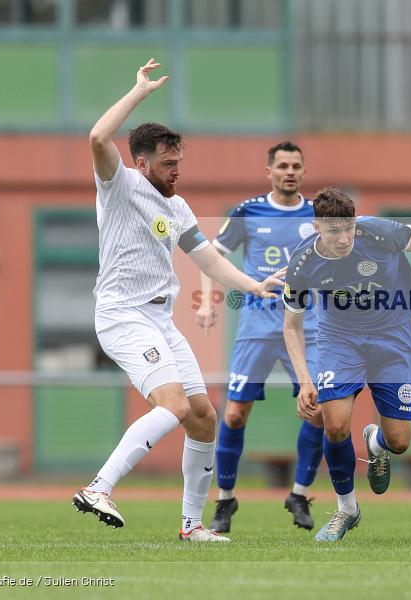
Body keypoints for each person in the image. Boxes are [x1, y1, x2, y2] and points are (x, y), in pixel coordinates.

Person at [71, 59, 284, 543]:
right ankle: (98, 488)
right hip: (122, 315)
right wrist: (139, 91)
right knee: (173, 405)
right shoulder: (120, 185)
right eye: (168, 164)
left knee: (203, 417)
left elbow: (207, 260)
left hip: (160, 320)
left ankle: (192, 527)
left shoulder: (178, 206)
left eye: (178, 163)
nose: (176, 171)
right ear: (141, 163)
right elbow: (98, 137)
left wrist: (254, 285)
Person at [283, 187, 411, 542]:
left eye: (348, 228)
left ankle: (377, 444)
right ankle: (346, 509)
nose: (344, 238)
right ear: (317, 226)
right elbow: (291, 325)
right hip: (339, 339)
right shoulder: (303, 263)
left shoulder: (378, 232)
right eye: (334, 231)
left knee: (400, 441)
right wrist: (305, 380)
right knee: (334, 425)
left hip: (392, 335)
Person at [195, 141, 323, 533]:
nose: (290, 172)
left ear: (304, 171)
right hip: (257, 328)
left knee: (317, 410)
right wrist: (207, 302)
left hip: (307, 327)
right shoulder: (247, 211)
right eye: (282, 166)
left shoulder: (318, 213)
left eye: (296, 166)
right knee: (234, 414)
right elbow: (210, 256)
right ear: (269, 172)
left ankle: (299, 494)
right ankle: (225, 500)